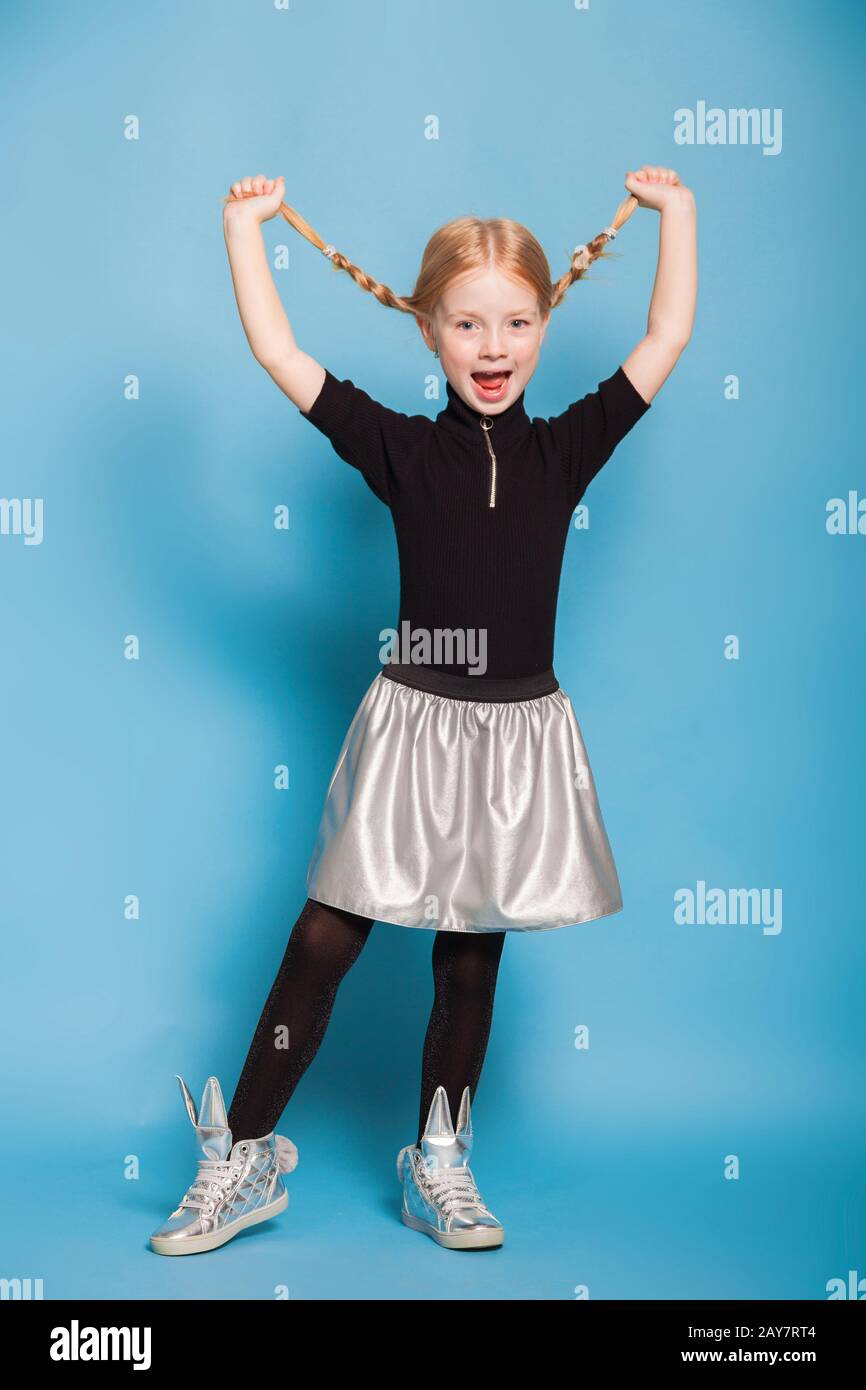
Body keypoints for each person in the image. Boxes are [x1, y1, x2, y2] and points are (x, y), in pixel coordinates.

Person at [148, 165, 697, 1257]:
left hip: (516, 735)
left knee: (468, 954)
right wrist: (244, 228)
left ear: (545, 322)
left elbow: (666, 333)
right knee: (326, 932)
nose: (491, 347)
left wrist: (672, 213)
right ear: (426, 328)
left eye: (516, 321)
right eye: (465, 324)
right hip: (412, 724)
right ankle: (246, 1151)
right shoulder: (400, 447)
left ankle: (435, 1160)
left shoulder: (565, 448)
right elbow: (279, 354)